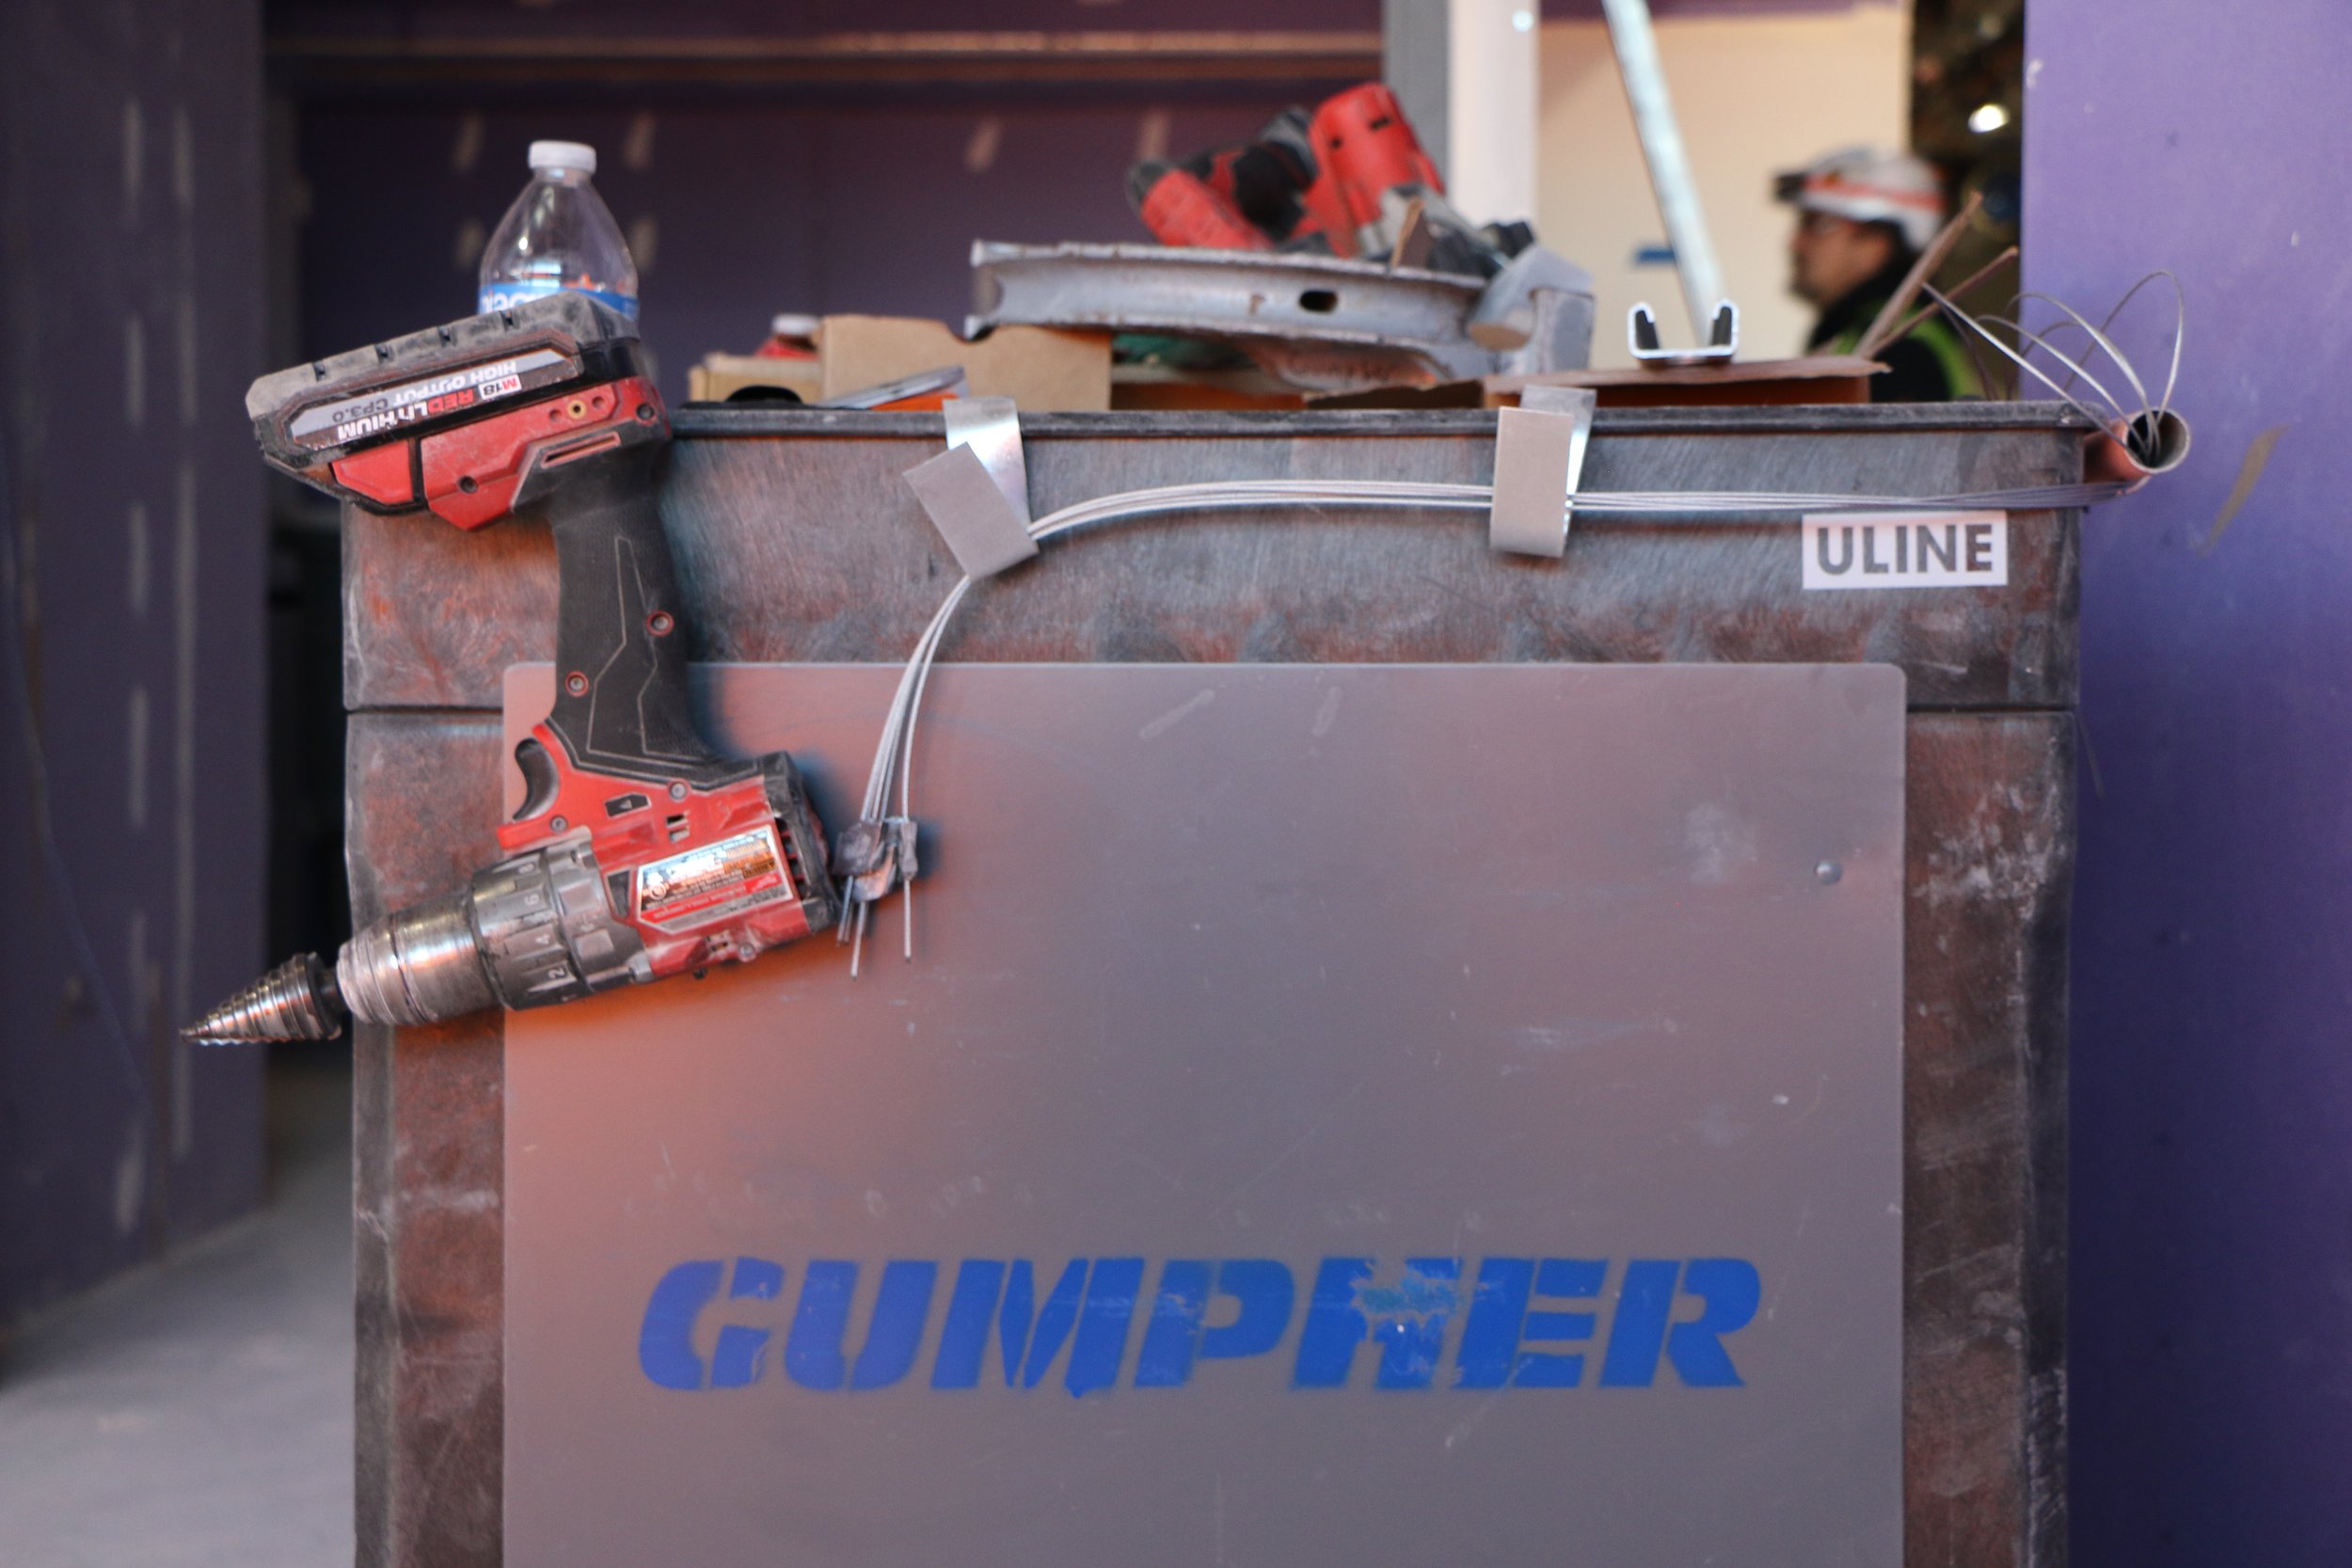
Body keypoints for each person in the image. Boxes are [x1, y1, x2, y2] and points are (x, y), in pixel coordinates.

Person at [1776, 147, 1980, 402]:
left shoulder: (1900, 352)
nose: (1795, 244)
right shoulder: (1866, 338)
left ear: (1877, 240)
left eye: (1816, 224)